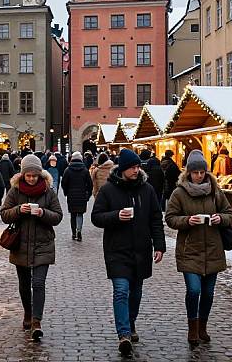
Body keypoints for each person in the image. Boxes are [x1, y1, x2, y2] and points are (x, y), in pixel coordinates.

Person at [91, 148, 165, 357]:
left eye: (138, 167)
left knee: (136, 292)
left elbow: (155, 219)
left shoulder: (147, 189)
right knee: (121, 290)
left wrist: (159, 245)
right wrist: (116, 216)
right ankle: (123, 333)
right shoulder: (108, 190)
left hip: (141, 249)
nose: (136, 170)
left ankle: (131, 323)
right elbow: (96, 217)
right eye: (132, 167)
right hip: (117, 250)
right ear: (123, 169)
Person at [165, 149, 232, 346]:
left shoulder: (215, 190)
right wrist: (188, 220)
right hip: (189, 250)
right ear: (189, 172)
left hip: (213, 249)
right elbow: (170, 218)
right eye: (195, 172)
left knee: (209, 293)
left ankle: (203, 326)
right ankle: (192, 327)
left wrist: (220, 218)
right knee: (194, 290)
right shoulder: (179, 193)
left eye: (202, 172)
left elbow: (228, 212)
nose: (199, 175)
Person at [0, 154, 63, 341]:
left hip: (43, 244)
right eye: (28, 175)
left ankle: (36, 320)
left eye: (35, 175)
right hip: (20, 245)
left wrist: (42, 212)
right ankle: (28, 312)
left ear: (40, 174)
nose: (31, 178)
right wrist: (19, 210)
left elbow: (58, 216)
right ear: (22, 175)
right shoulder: (15, 191)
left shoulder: (48, 192)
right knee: (24, 284)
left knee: (38, 283)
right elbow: (4, 214)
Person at [61, 152, 93, 241]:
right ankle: (79, 230)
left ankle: (74, 233)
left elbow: (64, 183)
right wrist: (88, 194)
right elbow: (90, 184)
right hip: (82, 195)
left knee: (73, 214)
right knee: (80, 214)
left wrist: (66, 192)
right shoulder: (85, 170)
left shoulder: (67, 170)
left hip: (71, 195)